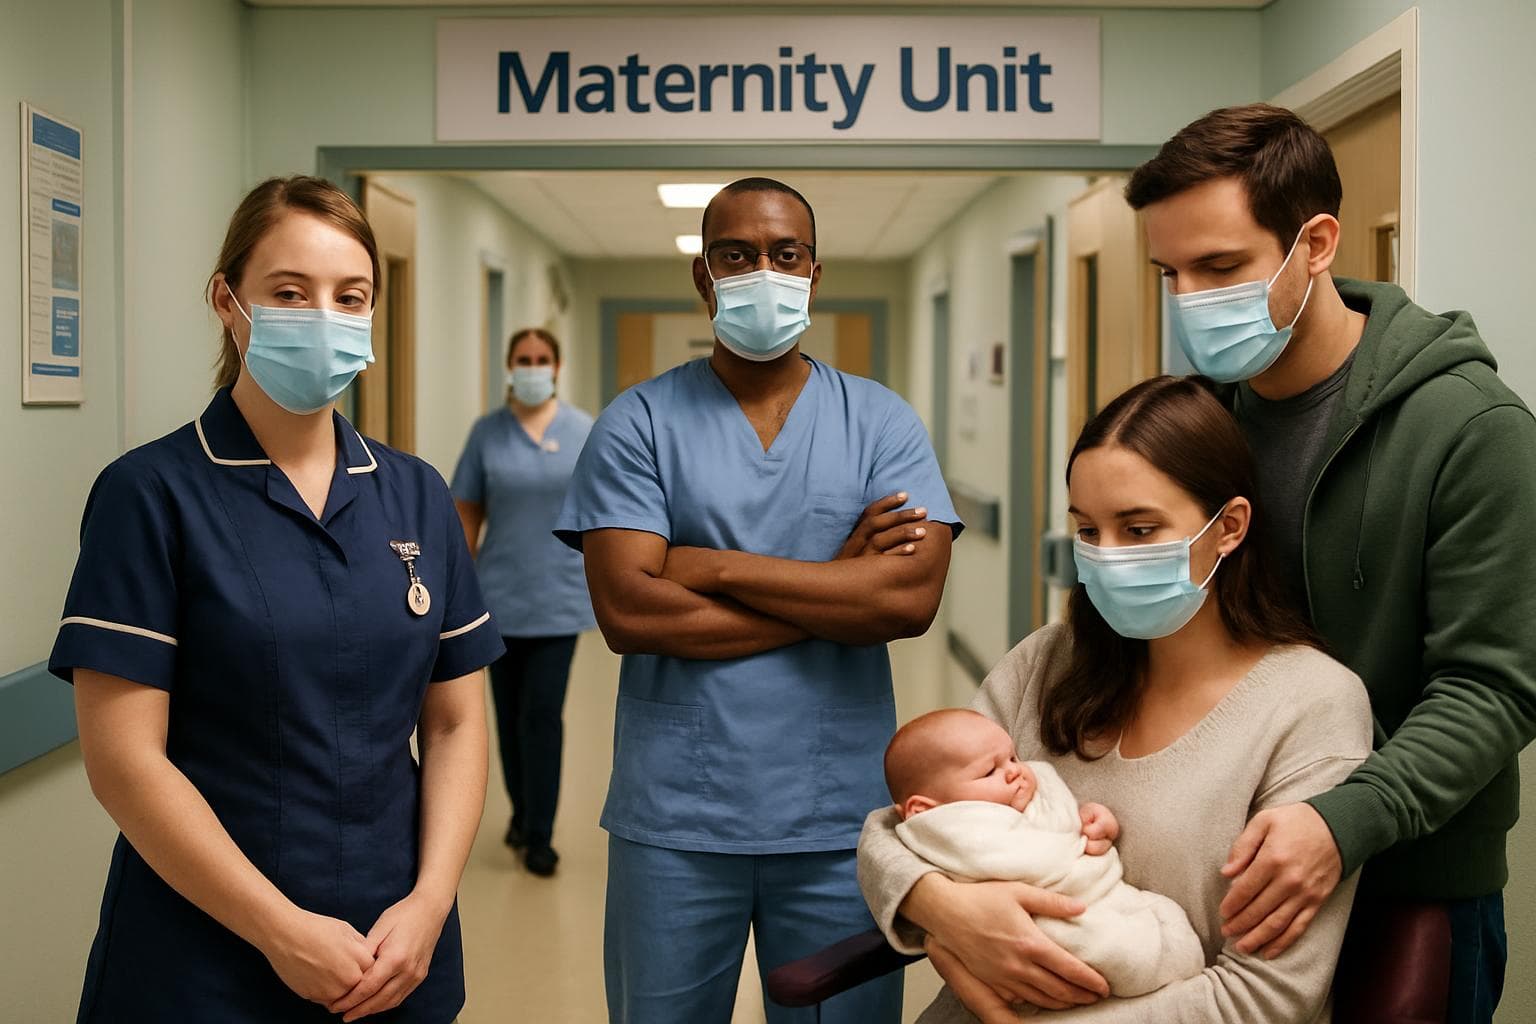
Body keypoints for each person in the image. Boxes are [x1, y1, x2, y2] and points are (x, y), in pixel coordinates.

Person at [49, 176, 503, 1023]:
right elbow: (124, 762)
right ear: (229, 301)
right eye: (290, 293)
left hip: (394, 948)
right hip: (203, 958)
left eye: (350, 295)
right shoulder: (150, 494)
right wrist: (279, 929)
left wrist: (432, 901)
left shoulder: (415, 495)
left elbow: (454, 720)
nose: (324, 315)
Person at [1125, 103, 1536, 1023]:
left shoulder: (1471, 427)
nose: (1191, 299)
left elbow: (1494, 687)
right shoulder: (1197, 424)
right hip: (1219, 874)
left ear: (1315, 243)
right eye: (1172, 273)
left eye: (1221, 267)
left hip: (1409, 885)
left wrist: (1339, 820)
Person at [553, 176, 961, 1024]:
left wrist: (716, 567)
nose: (762, 271)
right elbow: (629, 614)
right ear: (704, 279)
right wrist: (835, 580)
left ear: (815, 274)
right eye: (736, 256)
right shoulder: (639, 423)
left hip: (837, 822)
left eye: (785, 254)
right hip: (676, 820)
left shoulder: (881, 424)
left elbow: (906, 601)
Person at [858, 375, 1374, 1023]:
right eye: (1088, 531)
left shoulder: (1312, 707)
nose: (1106, 557)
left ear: (1230, 528)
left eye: (1138, 529)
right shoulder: (1050, 660)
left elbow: (1265, 997)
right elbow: (898, 826)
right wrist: (940, 906)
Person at [884, 709, 1205, 1001]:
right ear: (923, 809)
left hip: (1100, 897)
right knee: (1108, 949)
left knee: (1162, 914)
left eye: (1013, 757)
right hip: (1040, 924)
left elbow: (1052, 822)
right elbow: (1033, 861)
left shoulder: (1011, 795)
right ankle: (1157, 967)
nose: (1014, 771)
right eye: (988, 772)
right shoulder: (954, 829)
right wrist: (1075, 841)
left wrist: (1087, 819)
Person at [452, 326, 595, 877]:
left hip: (559, 599)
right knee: (508, 719)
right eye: (523, 358)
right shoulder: (488, 433)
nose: (533, 367)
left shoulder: (583, 430)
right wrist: (454, 588)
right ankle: (519, 811)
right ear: (510, 366)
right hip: (497, 598)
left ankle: (540, 833)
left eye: (542, 359)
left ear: (556, 367)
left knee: (542, 715)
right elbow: (467, 511)